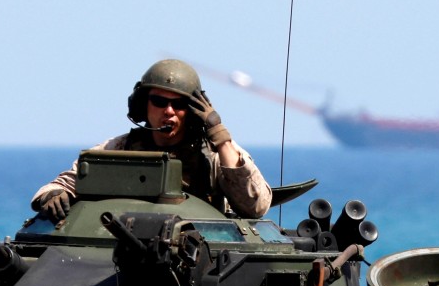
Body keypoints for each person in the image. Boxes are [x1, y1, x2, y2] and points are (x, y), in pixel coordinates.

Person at [32, 59, 272, 220]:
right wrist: (52, 196)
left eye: (179, 104)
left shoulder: (215, 154)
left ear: (192, 111)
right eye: (159, 102)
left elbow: (256, 206)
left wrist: (219, 135)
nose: (168, 111)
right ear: (142, 105)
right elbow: (62, 184)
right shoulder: (118, 149)